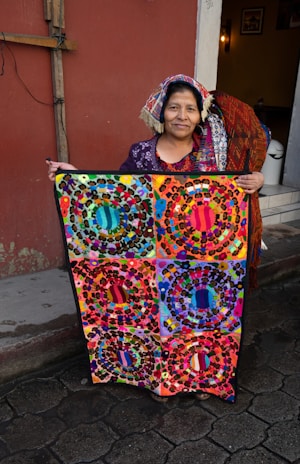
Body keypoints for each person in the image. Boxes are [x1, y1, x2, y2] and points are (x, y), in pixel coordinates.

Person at [46, 74, 270, 402]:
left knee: (199, 319)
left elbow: (234, 192)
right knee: (151, 318)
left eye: (190, 109)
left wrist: (258, 181)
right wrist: (72, 175)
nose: (182, 115)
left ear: (200, 114)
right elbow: (114, 194)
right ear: (160, 111)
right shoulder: (141, 154)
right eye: (174, 107)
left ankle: (201, 377)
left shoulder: (215, 156)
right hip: (147, 258)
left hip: (200, 256)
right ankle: (157, 377)